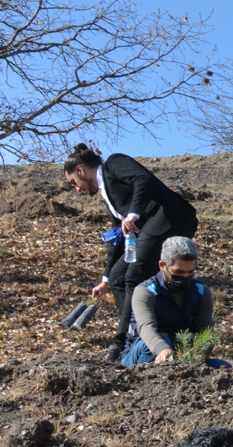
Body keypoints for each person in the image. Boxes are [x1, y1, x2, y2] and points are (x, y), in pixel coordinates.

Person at [64, 144, 198, 360]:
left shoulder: (114, 163)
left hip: (171, 218)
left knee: (134, 276)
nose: (76, 189)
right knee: (119, 278)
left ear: (80, 170)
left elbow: (142, 179)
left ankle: (123, 340)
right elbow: (119, 238)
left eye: (73, 183)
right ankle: (138, 330)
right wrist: (105, 279)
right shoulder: (109, 196)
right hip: (152, 228)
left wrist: (134, 214)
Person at [120, 237, 219, 367]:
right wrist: (162, 349)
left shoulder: (201, 291)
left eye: (190, 272)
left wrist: (197, 358)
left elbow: (206, 332)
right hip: (142, 354)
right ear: (162, 266)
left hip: (182, 355)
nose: (185, 277)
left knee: (221, 366)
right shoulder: (146, 291)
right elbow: (146, 327)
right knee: (150, 347)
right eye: (178, 272)